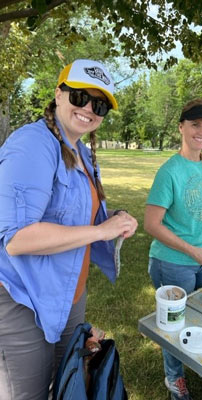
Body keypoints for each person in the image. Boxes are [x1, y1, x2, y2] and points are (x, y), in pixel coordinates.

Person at [0, 59, 138, 399]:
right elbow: (17, 239)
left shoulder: (81, 151)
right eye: (80, 97)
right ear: (59, 94)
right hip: (23, 299)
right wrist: (101, 232)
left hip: (67, 294)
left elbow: (77, 216)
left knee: (67, 385)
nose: (89, 109)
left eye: (100, 104)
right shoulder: (33, 144)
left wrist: (114, 219)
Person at [144, 98, 202, 400]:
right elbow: (152, 224)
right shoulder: (170, 171)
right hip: (172, 262)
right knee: (174, 324)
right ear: (181, 127)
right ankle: (175, 380)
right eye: (195, 124)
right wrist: (191, 250)